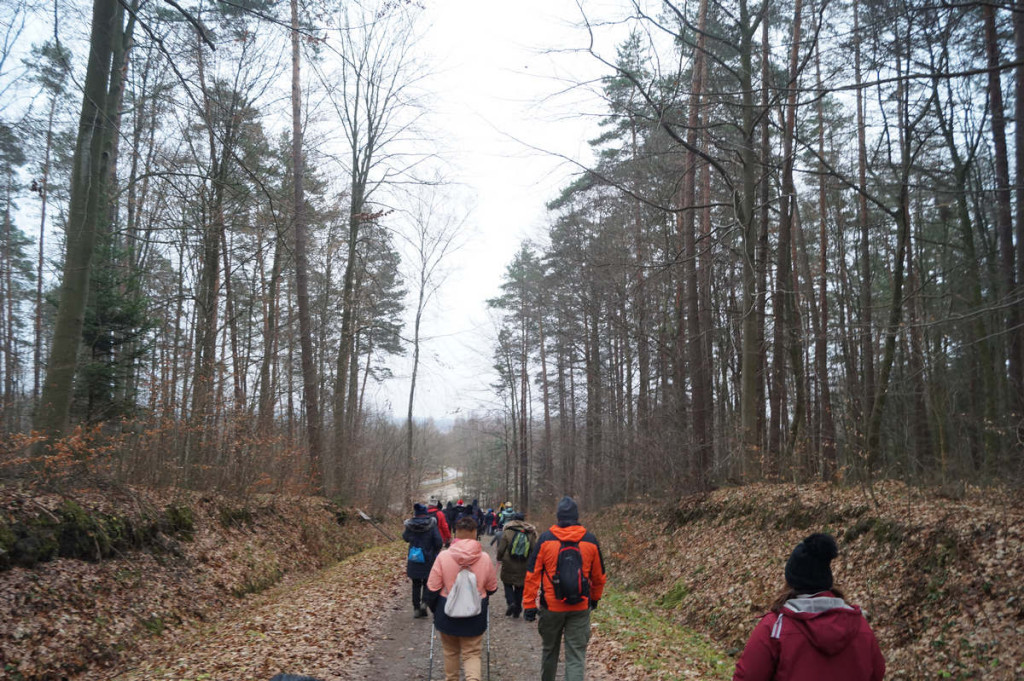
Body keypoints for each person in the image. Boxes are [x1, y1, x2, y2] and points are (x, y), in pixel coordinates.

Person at [732, 533, 885, 681]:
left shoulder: (774, 629)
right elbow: (877, 673)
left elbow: (747, 676)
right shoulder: (860, 627)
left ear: (790, 582)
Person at [523, 496, 606, 681]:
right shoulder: (590, 541)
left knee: (549, 651)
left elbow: (532, 575)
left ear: (558, 517)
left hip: (551, 607)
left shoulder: (545, 540)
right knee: (576, 656)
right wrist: (595, 598)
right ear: (577, 517)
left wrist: (529, 604)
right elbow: (599, 576)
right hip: (580, 607)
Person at [425, 516, 499, 681]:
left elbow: (432, 588)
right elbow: (492, 588)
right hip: (475, 612)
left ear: (455, 533)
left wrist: (434, 609)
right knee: (472, 653)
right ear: (475, 533)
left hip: (447, 611)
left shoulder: (443, 557)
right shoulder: (485, 558)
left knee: (450, 652)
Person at [402, 503, 443, 618]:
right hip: (428, 558)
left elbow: (405, 538)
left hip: (414, 558)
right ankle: (424, 603)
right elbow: (438, 541)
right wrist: (434, 552)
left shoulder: (410, 525)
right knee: (426, 582)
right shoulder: (432, 524)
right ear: (425, 513)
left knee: (415, 584)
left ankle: (416, 608)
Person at [495, 511, 538, 618]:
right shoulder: (530, 532)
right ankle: (517, 609)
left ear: (513, 520)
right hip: (524, 563)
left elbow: (501, 548)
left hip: (508, 563)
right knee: (520, 586)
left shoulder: (508, 531)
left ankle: (511, 603)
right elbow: (534, 549)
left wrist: (499, 558)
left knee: (507, 583)